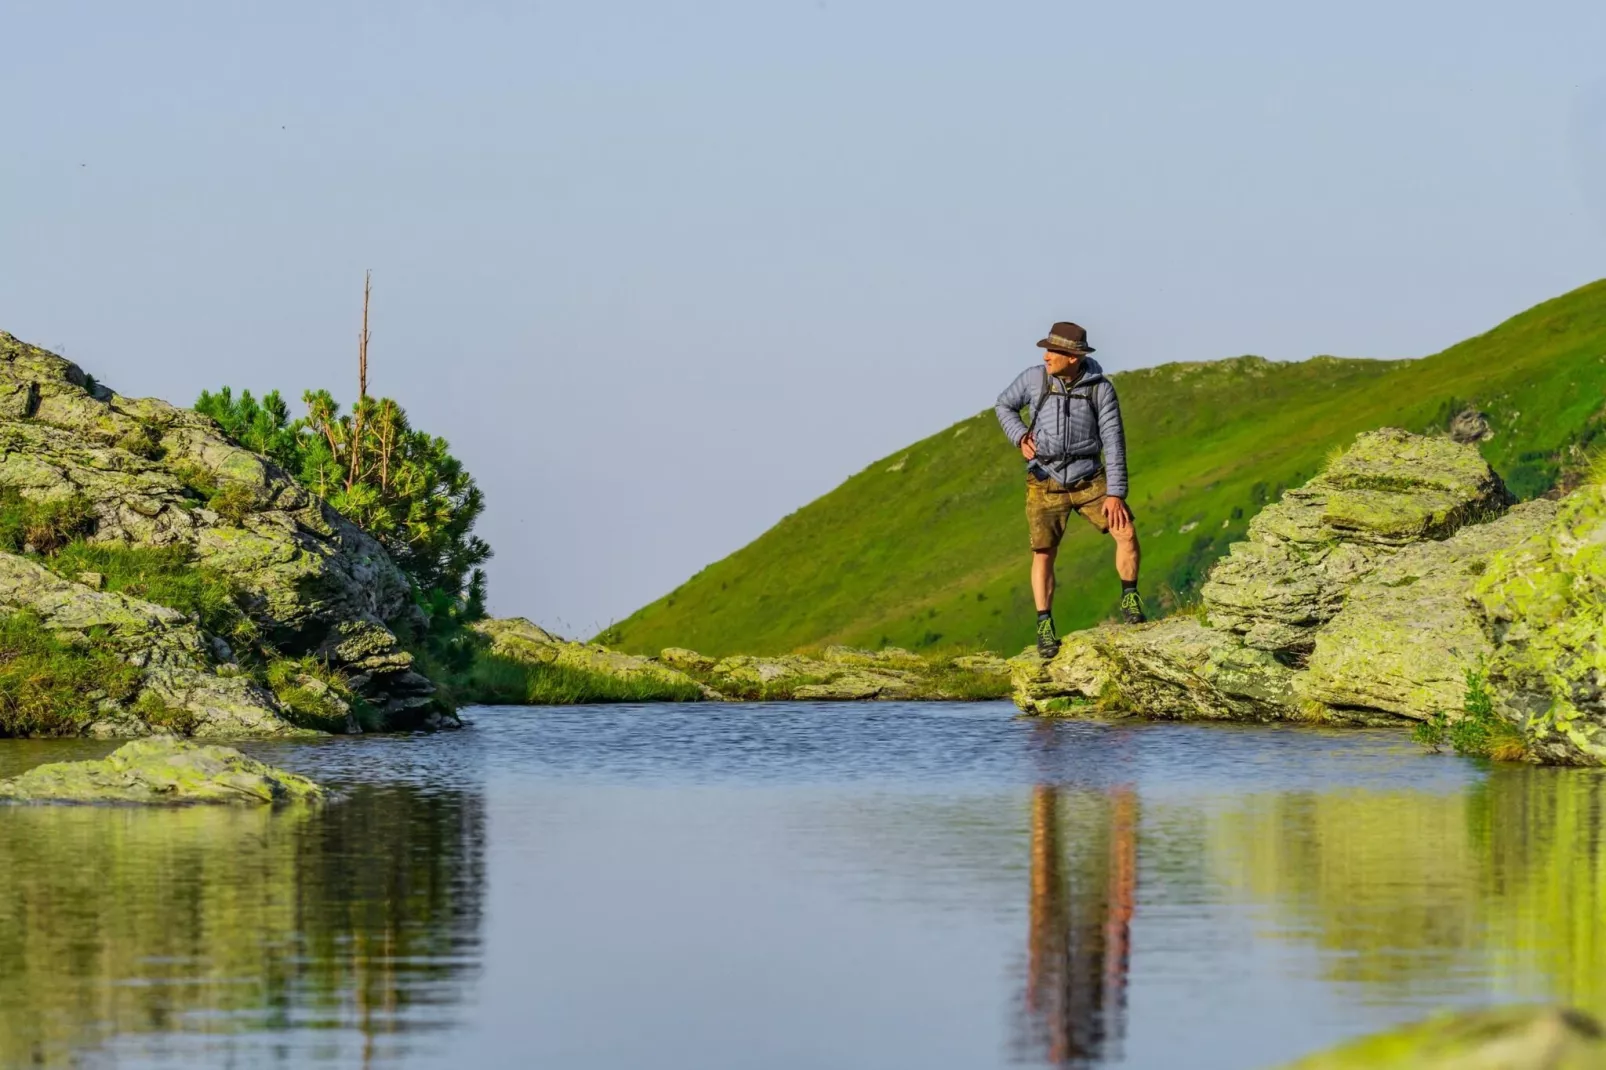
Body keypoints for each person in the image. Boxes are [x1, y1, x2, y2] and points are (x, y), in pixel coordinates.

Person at [995, 321, 1143, 658]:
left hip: (1090, 477)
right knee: (1043, 552)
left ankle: (1131, 600)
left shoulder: (1101, 389)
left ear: (1073, 357)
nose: (1046, 356)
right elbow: (1003, 405)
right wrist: (1019, 435)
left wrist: (1116, 493)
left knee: (1126, 532)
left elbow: (1114, 442)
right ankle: (1045, 626)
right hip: (1044, 478)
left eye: (1054, 351)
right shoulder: (1034, 378)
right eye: (1046, 350)